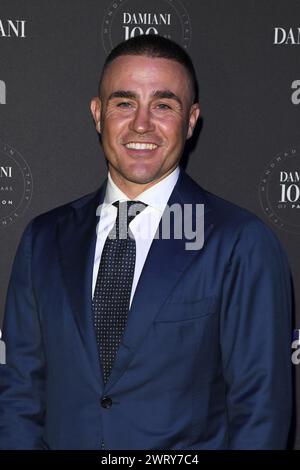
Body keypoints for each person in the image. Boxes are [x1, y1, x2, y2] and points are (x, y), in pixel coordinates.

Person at [0, 35, 292, 450]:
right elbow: (18, 395)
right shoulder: (44, 239)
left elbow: (260, 410)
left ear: (191, 120)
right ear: (98, 114)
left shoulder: (239, 242)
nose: (141, 124)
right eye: (124, 103)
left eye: (163, 104)